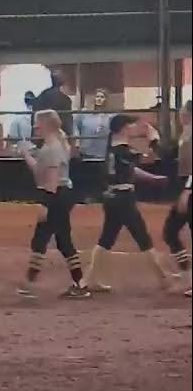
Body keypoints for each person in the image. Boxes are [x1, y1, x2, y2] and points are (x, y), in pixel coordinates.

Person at [82, 114, 174, 293]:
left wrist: (153, 178)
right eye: (130, 126)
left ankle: (88, 279)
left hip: (113, 198)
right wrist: (153, 139)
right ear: (124, 128)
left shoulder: (113, 150)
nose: (133, 129)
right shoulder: (123, 150)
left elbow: (132, 170)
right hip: (123, 199)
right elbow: (149, 159)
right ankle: (164, 277)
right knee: (142, 238)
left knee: (106, 239)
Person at [17, 110, 89, 299]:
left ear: (46, 125)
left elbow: (51, 180)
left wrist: (45, 204)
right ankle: (79, 283)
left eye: (37, 123)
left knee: (41, 239)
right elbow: (40, 173)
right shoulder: (52, 146)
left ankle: (29, 283)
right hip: (60, 195)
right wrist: (27, 155)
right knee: (62, 240)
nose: (34, 127)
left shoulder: (52, 148)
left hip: (55, 195)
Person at [166, 101, 191, 295]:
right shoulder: (185, 136)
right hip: (183, 188)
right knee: (170, 231)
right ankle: (187, 275)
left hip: (189, 189)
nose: (180, 115)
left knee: (171, 231)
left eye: (183, 112)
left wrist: (187, 190)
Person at [75, 89, 113, 161]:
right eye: (97, 96)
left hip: (102, 151)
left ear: (106, 99)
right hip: (86, 150)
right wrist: (77, 142)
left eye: (102, 97)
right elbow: (76, 126)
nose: (99, 99)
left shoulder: (109, 116)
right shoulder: (85, 114)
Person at [33, 72, 74, 136]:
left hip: (42, 135)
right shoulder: (65, 99)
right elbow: (68, 123)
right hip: (58, 135)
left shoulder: (41, 96)